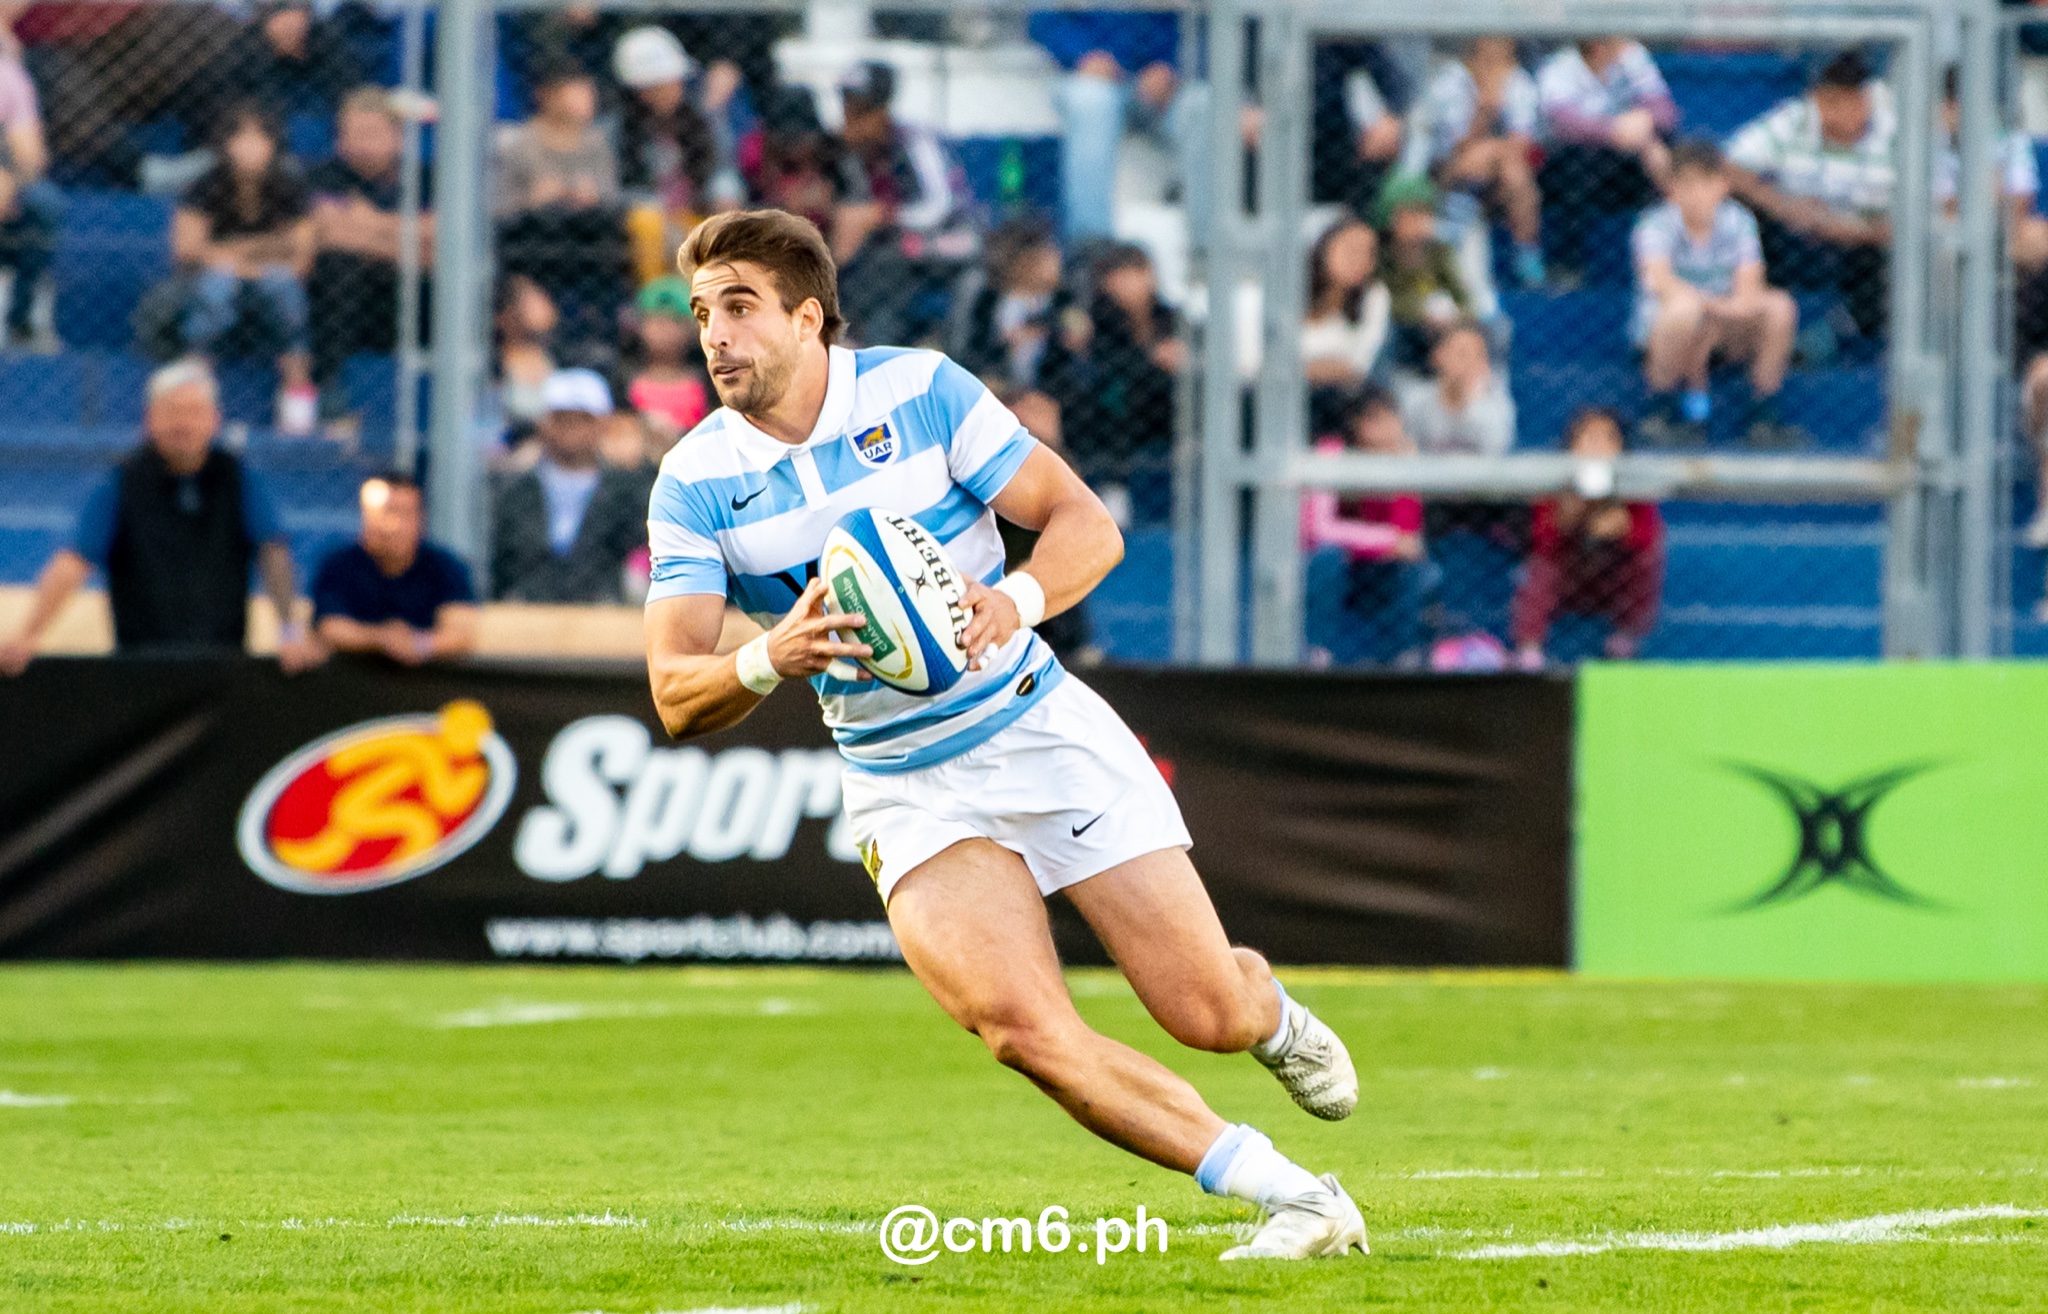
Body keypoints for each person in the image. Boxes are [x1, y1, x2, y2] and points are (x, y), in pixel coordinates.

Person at [648, 208, 1365, 1260]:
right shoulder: (693, 481)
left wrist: (1013, 601)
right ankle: (1296, 1198)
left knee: (1203, 1010)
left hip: (1034, 726)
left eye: (740, 308)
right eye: (702, 312)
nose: (714, 334)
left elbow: (1086, 524)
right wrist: (769, 657)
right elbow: (674, 691)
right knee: (1022, 1033)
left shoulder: (921, 391)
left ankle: (1269, 1017)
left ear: (809, 318)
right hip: (900, 781)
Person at [0, 359, 323, 675]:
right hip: (140, 667)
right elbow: (74, 560)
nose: (182, 424)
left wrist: (290, 632)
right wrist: (28, 634)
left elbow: (273, 551)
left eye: (193, 413)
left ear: (214, 419)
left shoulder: (239, 478)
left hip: (223, 664)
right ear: (149, 420)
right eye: (171, 413)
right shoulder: (121, 482)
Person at [1633, 140, 1801, 449]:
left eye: (1705, 183)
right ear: (1670, 188)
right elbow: (1662, 284)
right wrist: (1713, 309)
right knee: (1684, 310)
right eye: (1685, 184)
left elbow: (1751, 287)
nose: (1696, 194)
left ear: (1723, 185)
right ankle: (1661, 408)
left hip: (1724, 326)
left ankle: (1763, 414)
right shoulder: (1653, 223)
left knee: (1780, 307)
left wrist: (1717, 314)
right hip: (1669, 329)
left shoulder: (1740, 221)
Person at [1726, 50, 1895, 342]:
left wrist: (1855, 230)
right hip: (1800, 231)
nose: (1838, 113)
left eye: (1850, 102)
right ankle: (1758, 324)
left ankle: (1840, 333)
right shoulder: (1795, 118)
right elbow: (1729, 166)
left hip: (1870, 237)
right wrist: (1788, 207)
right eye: (1828, 102)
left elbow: (1926, 209)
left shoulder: (1896, 128)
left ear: (1866, 99)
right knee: (1741, 209)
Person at [168, 103, 316, 434]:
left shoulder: (289, 185)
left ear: (274, 143)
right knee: (217, 285)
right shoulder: (206, 184)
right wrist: (266, 248)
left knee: (282, 285)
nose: (250, 147)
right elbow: (186, 250)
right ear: (226, 143)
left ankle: (296, 388)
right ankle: (197, 382)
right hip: (215, 279)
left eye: (259, 137)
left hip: (270, 278)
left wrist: (231, 253)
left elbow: (302, 256)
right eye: (240, 136)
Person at [307, 88, 433, 418]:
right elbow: (327, 235)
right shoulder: (322, 176)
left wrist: (365, 223)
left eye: (372, 134)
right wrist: (404, 234)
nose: (362, 145)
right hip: (348, 301)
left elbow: (438, 243)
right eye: (353, 134)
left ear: (398, 137)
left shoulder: (426, 178)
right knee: (337, 265)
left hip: (411, 294)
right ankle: (330, 388)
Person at [1511, 407, 1664, 666]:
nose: (1598, 446)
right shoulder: (1553, 484)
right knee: (1539, 570)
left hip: (1612, 578)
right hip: (1567, 578)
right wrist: (1570, 520)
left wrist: (1623, 530)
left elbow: (1648, 536)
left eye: (1608, 438)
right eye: (1588, 437)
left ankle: (1625, 638)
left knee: (1646, 561)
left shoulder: (1634, 487)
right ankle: (1529, 650)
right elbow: (1540, 543)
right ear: (1571, 446)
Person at [491, 367, 654, 602]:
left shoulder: (629, 492)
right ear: (544, 423)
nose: (572, 430)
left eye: (583, 421)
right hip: (525, 612)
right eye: (562, 420)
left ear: (602, 425)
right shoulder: (513, 490)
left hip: (606, 616)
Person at [492, 62, 628, 344]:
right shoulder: (520, 142)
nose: (585, 97)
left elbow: (611, 197)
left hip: (586, 244)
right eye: (575, 89)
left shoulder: (595, 144)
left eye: (588, 90)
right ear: (549, 95)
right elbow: (499, 209)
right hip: (534, 248)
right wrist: (533, 198)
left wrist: (592, 196)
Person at [1302, 385, 1435, 667]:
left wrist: (1405, 468)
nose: (1389, 428)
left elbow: (1407, 536)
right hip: (1341, 566)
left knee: (1413, 570)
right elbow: (1319, 529)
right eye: (1375, 420)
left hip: (1381, 567)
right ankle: (1317, 657)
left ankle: (1402, 659)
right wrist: (1383, 540)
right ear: (1356, 425)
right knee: (1327, 558)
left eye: (1392, 418)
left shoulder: (1406, 458)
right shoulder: (1331, 454)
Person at [1535, 38, 1677, 277]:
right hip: (1571, 162)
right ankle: (1569, 268)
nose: (1623, 42)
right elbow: (1564, 125)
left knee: (1663, 150)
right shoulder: (1559, 67)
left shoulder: (1631, 56)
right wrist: (1613, 131)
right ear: (1597, 45)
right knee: (1574, 169)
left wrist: (1645, 124)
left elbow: (1666, 113)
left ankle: (1664, 257)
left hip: (1626, 156)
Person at [613, 25, 741, 283]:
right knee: (647, 219)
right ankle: (654, 298)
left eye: (674, 81)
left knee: (724, 215)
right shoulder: (619, 130)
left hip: (693, 214)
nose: (674, 88)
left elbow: (722, 172)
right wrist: (663, 216)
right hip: (648, 225)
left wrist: (723, 197)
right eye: (661, 83)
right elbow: (618, 188)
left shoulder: (702, 123)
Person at [311, 471, 478, 665]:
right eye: (386, 512)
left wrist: (418, 644)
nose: (394, 525)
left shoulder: (445, 566)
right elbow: (330, 627)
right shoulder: (339, 565)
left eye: (405, 513)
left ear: (420, 518)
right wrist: (382, 638)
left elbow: (461, 633)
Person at [1418, 37, 1544, 289]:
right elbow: (1458, 147)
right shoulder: (1450, 81)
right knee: (1502, 158)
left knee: (1512, 166)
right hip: (1446, 170)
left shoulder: (1517, 80)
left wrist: (1499, 148)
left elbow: (1523, 144)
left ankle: (1523, 255)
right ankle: (1527, 253)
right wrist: (1487, 107)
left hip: (1504, 175)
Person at [1375, 173, 1479, 370]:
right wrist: (1421, 311)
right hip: (1401, 328)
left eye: (1425, 213)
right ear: (1390, 217)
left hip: (1443, 327)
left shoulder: (1439, 252)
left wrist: (1459, 315)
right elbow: (1383, 299)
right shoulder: (1381, 254)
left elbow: (1462, 295)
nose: (1419, 221)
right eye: (1410, 215)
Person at [955, 217, 1073, 390]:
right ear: (1028, 263)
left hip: (1051, 381)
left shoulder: (1062, 301)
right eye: (1048, 259)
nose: (1057, 264)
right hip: (1006, 379)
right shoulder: (1000, 301)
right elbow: (999, 340)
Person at [1303, 217, 1392, 434]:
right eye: (1351, 250)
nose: (1360, 260)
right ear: (1324, 248)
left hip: (1340, 403)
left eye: (1369, 253)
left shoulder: (1374, 296)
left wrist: (1302, 368)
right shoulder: (1290, 290)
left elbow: (1358, 367)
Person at [0, 33, 59, 348]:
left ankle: (20, 322)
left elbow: (32, 158)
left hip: (5, 184)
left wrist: (9, 178)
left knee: (43, 202)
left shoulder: (6, 76)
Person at [1398, 319, 1516, 457]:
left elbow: (1495, 461)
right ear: (1438, 355)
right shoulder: (1415, 402)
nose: (1470, 363)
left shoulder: (1496, 409)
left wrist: (1471, 403)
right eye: (1462, 354)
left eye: (1478, 355)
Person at [625, 275, 711, 447]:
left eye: (674, 321)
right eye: (655, 320)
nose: (663, 329)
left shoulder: (708, 380)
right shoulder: (623, 379)